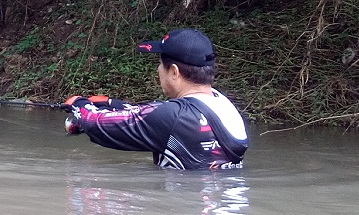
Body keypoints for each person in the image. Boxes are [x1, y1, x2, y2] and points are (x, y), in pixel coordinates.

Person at [64, 28, 248, 170]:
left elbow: (96, 123)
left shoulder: (173, 116)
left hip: (183, 211)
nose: (158, 70)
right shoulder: (224, 105)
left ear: (174, 72)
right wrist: (115, 105)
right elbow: (160, 119)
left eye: (160, 64)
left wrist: (79, 104)